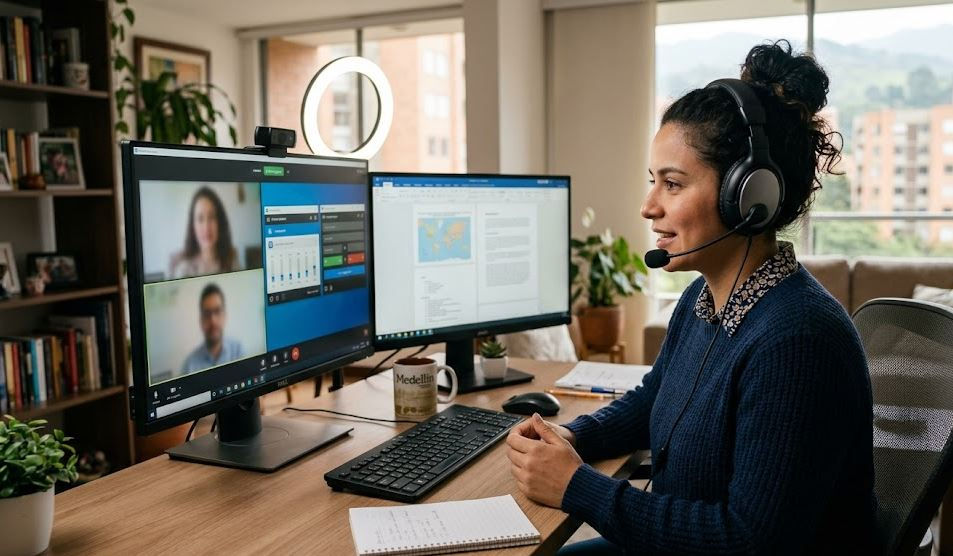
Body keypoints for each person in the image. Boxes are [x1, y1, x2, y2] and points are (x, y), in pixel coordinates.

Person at [506, 41, 877, 555]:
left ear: (747, 196)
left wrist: (577, 487)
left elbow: (751, 540)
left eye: (672, 184)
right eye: (652, 181)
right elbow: (656, 396)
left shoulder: (797, 341)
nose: (648, 206)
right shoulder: (705, 301)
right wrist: (574, 438)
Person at [169, 186, 238, 278]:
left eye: (212, 217)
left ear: (220, 222)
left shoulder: (231, 260)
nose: (206, 227)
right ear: (193, 226)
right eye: (200, 219)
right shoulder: (184, 270)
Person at [181, 283, 244, 373]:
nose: (213, 321)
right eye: (207, 314)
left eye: (217, 311)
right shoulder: (189, 365)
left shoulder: (238, 351)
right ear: (201, 321)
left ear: (225, 316)